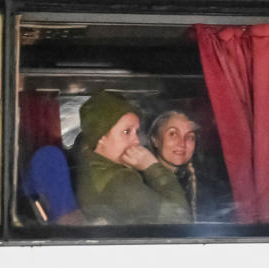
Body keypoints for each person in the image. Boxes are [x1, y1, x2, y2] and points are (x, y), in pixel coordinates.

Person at [76, 92, 191, 225]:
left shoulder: (89, 167)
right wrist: (152, 166)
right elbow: (180, 219)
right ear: (101, 137)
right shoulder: (120, 183)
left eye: (136, 132)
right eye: (127, 132)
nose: (136, 141)